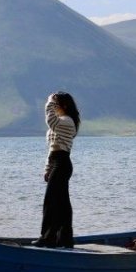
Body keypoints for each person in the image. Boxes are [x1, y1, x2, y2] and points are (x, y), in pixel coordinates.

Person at [35, 91, 80, 248]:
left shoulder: (67, 121)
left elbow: (51, 122)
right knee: (61, 202)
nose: (53, 107)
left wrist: (49, 101)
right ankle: (64, 238)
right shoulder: (61, 122)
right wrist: (47, 168)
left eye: (56, 104)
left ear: (63, 106)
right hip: (56, 162)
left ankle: (48, 237)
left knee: (51, 201)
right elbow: (52, 148)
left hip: (62, 163)